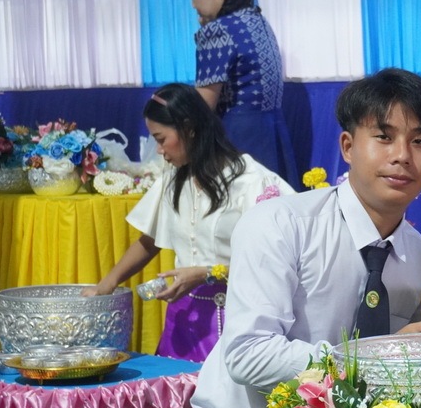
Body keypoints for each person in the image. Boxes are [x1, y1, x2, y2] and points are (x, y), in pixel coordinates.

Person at [173, 68, 421, 408]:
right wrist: (374, 360)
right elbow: (249, 354)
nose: (402, 155)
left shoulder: (419, 258)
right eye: (384, 137)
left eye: (419, 141)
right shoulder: (281, 224)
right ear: (347, 146)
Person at [82, 83, 295, 361]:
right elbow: (149, 241)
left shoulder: (249, 180)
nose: (159, 151)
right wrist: (107, 284)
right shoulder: (173, 179)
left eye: (161, 139)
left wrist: (206, 274)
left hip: (235, 320)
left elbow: (273, 261)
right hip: (182, 322)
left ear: (189, 128)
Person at [184, 0, 298, 186]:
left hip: (238, 139)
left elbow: (202, 107)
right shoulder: (259, 21)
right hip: (273, 134)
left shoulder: (217, 31)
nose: (192, 4)